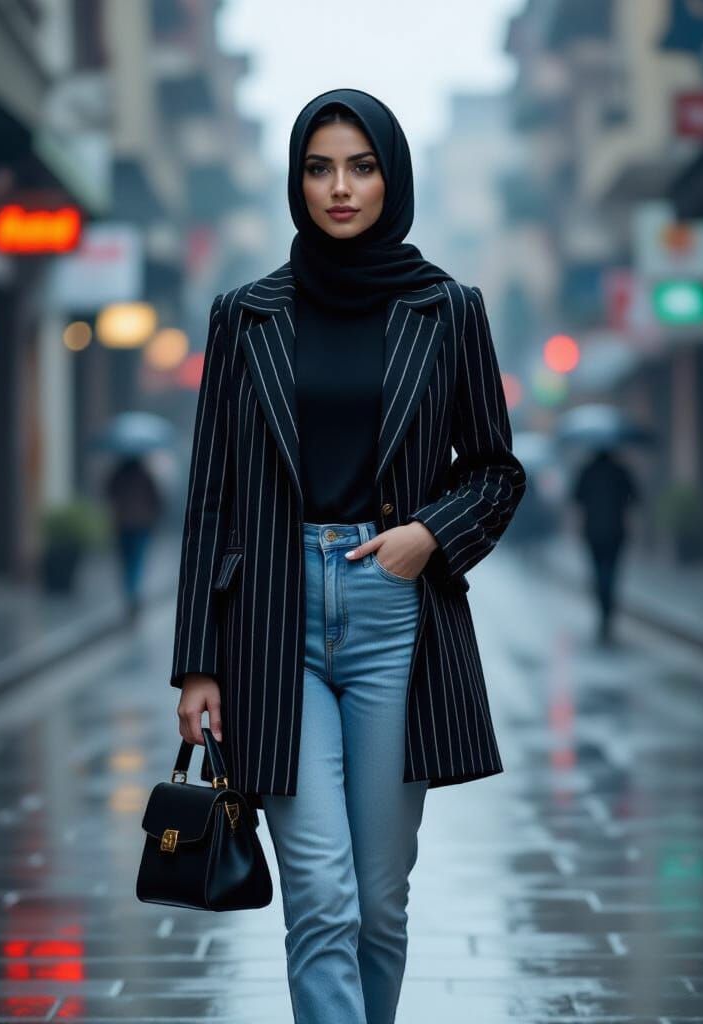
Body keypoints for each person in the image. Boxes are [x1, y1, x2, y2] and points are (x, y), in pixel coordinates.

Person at [169, 88, 527, 1024]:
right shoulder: (243, 316)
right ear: (297, 180)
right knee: (319, 897)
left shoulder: (448, 309)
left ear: (391, 177)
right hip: (273, 620)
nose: (340, 187)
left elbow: (496, 471)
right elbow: (210, 498)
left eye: (361, 166)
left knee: (379, 901)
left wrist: (427, 537)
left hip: (392, 612)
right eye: (319, 167)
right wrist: (197, 661)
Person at [570, 446, 639, 645]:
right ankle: (607, 609)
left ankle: (604, 606)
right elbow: (635, 498)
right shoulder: (621, 471)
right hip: (616, 531)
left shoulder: (586, 471)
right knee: (612, 570)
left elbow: (576, 500)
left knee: (598, 570)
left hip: (593, 531)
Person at [104, 454, 163, 621]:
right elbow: (157, 499)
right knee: (137, 561)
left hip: (122, 524)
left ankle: (130, 594)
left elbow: (108, 493)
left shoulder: (117, 475)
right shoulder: (145, 476)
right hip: (142, 525)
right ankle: (134, 594)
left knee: (126, 562)